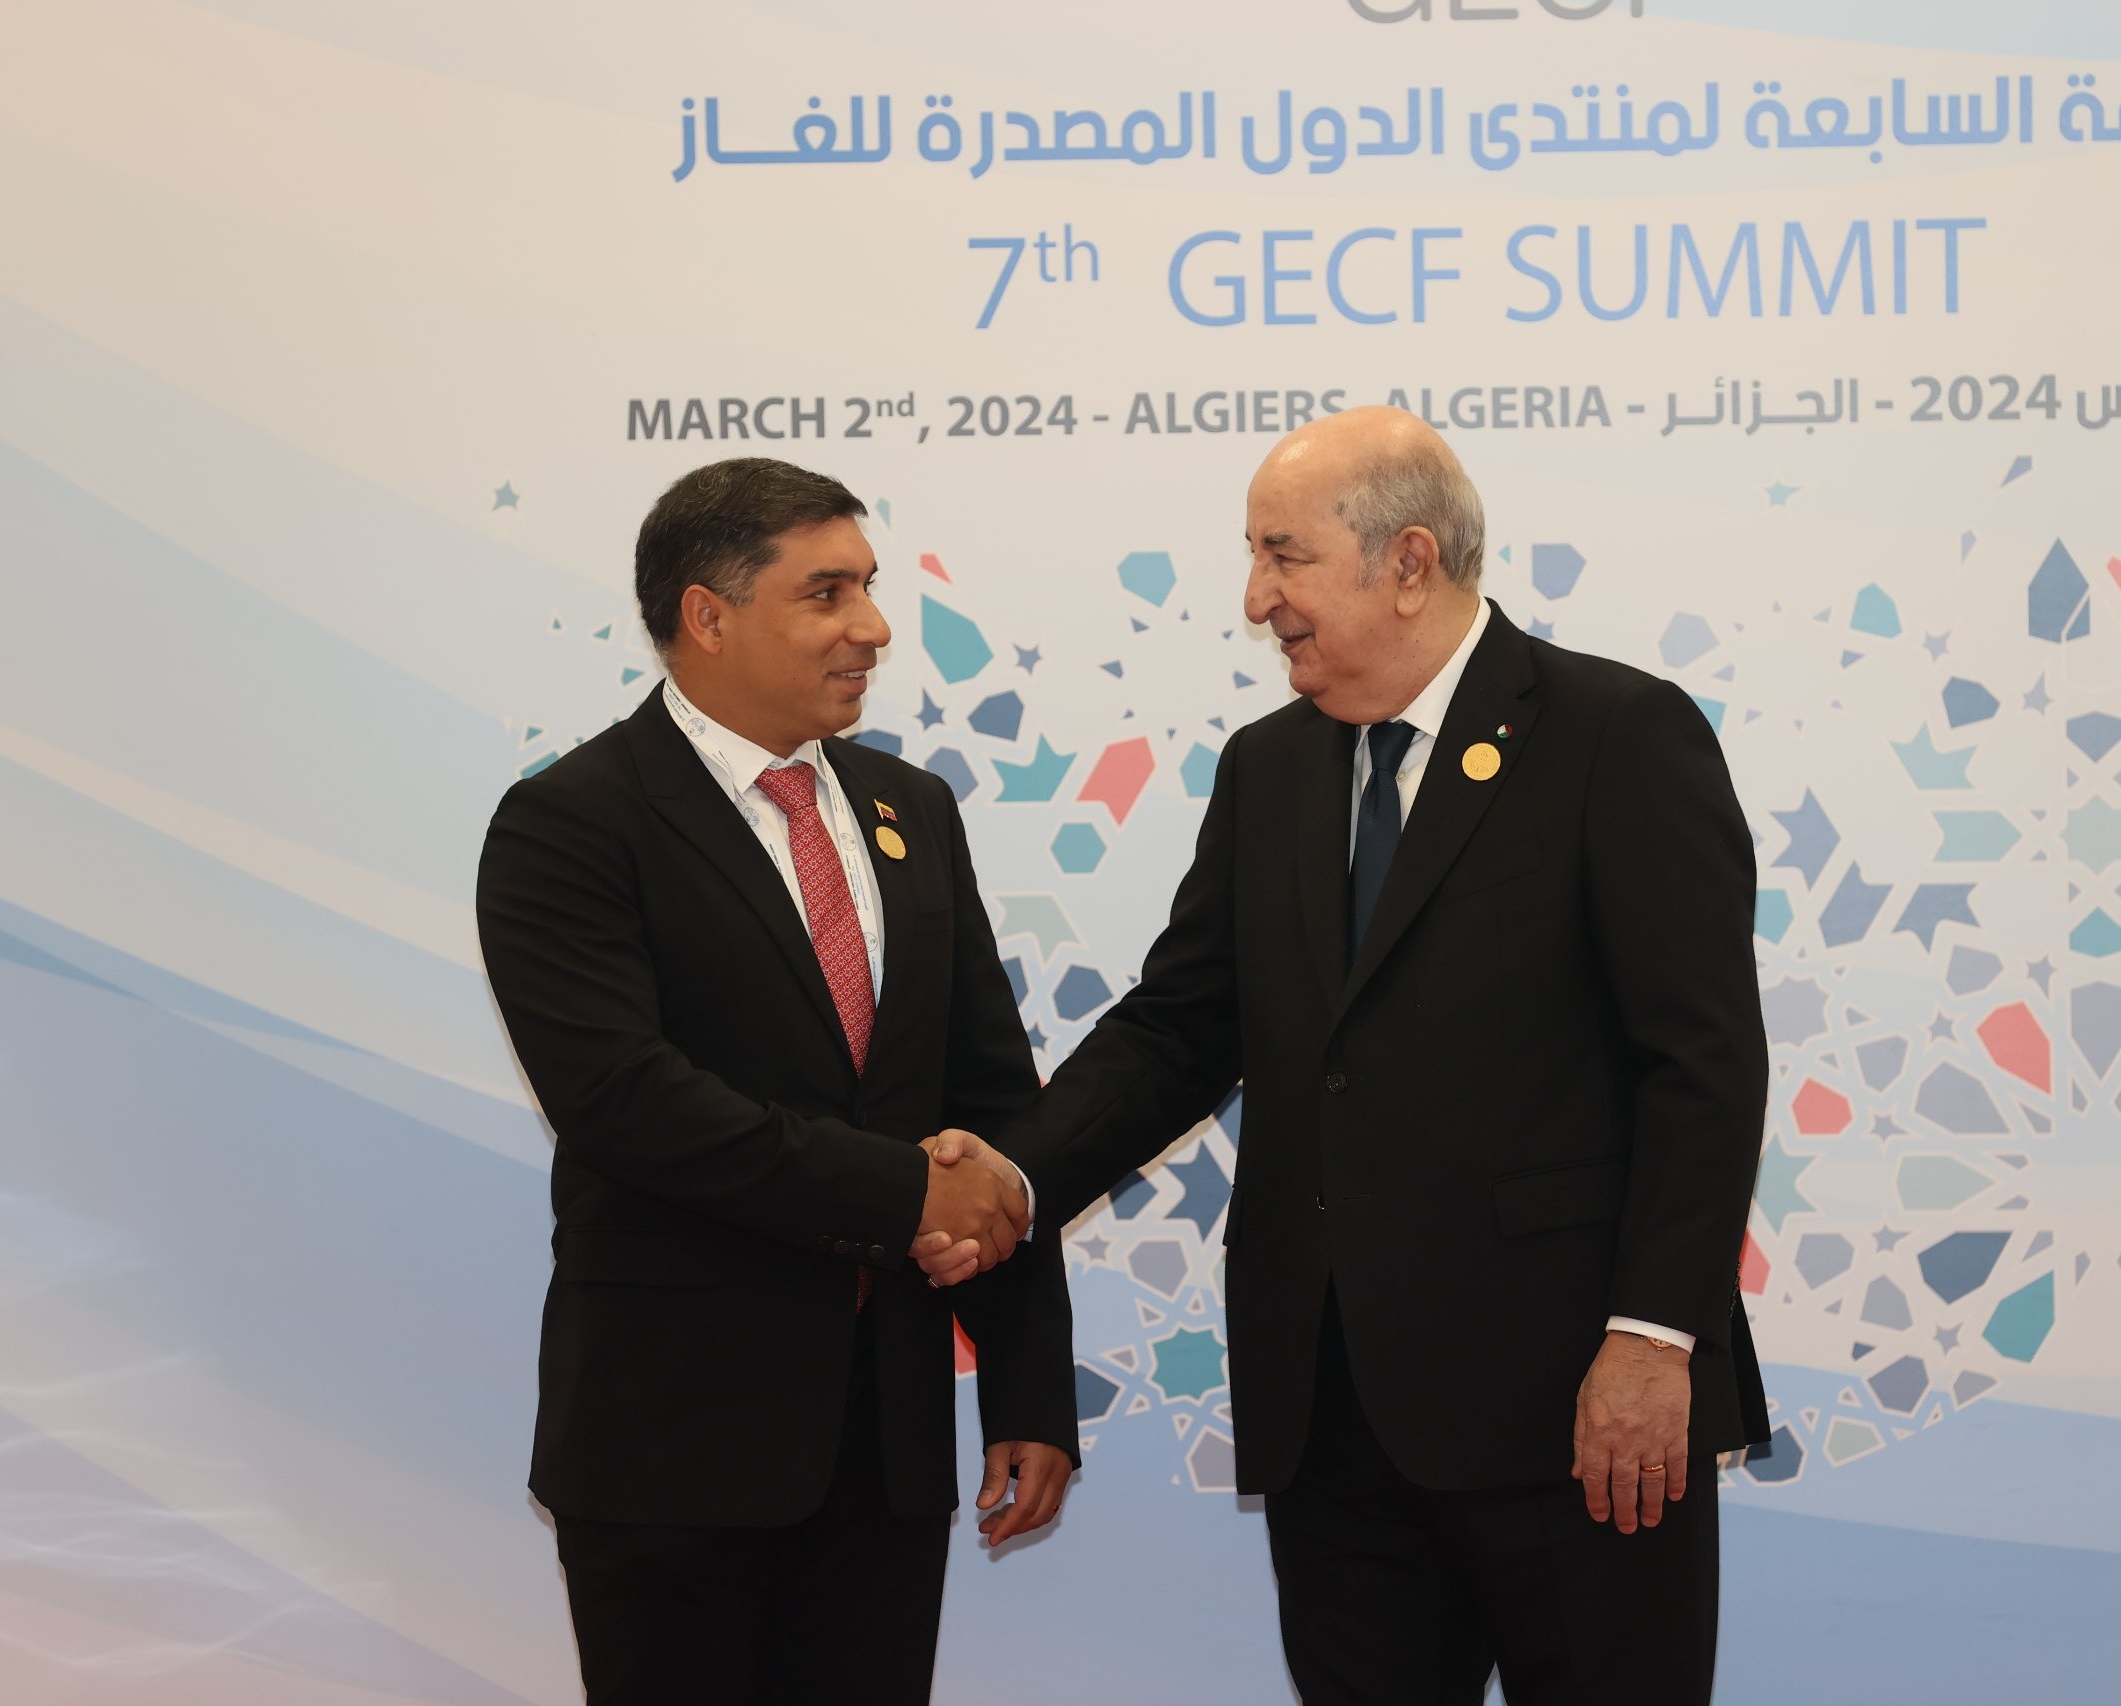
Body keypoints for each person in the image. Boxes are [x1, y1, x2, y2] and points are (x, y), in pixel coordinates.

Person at [926, 408, 1770, 1701]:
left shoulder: (1615, 733)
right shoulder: (1269, 767)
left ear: (1409, 561)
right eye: (1254, 555)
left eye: (1284, 555)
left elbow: (1701, 1064)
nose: (1256, 597)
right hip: (1333, 1418)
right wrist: (1014, 1171)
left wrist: (1655, 1338)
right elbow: (1179, 1026)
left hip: (1577, 1408)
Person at [476, 457, 1073, 1706]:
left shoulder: (913, 808)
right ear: (708, 615)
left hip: (887, 1448)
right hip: (675, 1447)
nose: (873, 626)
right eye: (826, 592)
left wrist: (1028, 1388)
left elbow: (989, 1106)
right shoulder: (573, 821)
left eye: (868, 585)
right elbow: (630, 1102)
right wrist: (906, 1193)